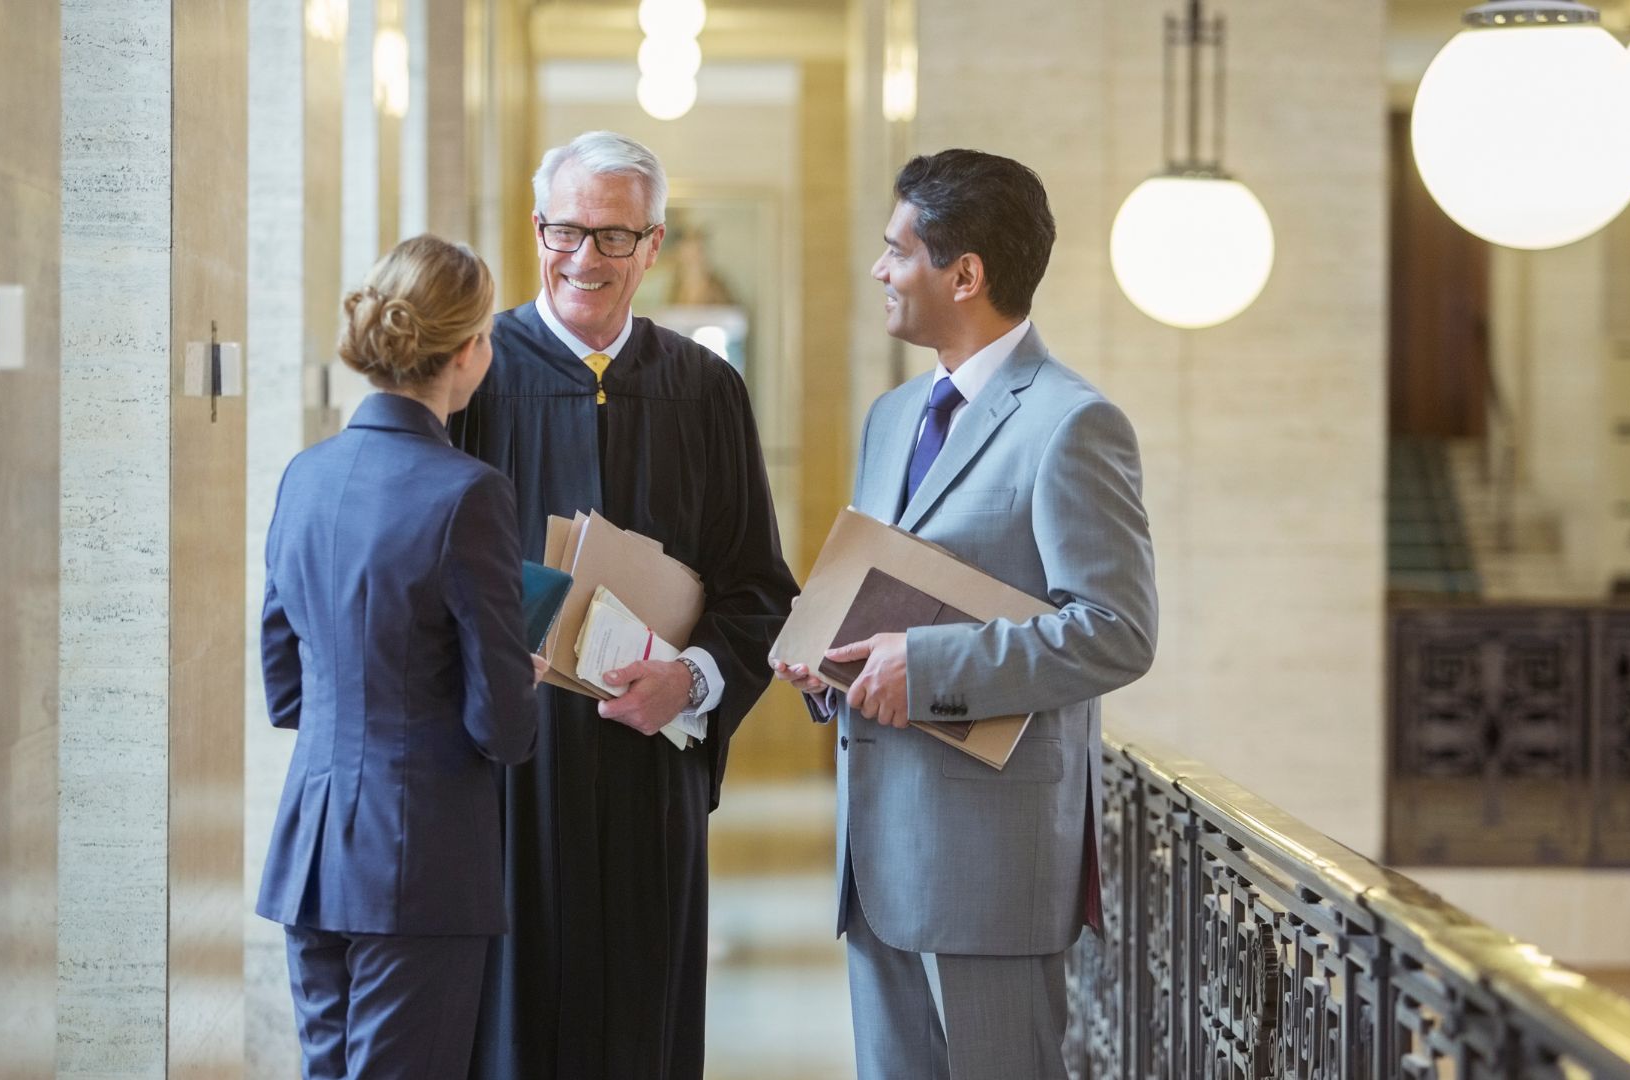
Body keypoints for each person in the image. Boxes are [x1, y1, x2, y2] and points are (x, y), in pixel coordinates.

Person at [772, 149, 1158, 1080]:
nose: (880, 270)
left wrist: (930, 666)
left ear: (965, 273)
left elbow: (1117, 629)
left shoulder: (1072, 424)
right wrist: (830, 663)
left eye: (897, 250)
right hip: (875, 859)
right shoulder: (891, 416)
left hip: (991, 866)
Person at [449, 131, 797, 1080]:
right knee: (512, 1028)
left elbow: (760, 589)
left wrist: (690, 679)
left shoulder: (706, 390)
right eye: (568, 231)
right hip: (510, 773)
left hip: (650, 769)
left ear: (653, 246)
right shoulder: (476, 377)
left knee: (643, 1025)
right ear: (536, 231)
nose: (586, 259)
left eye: (615, 238)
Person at [256, 235, 544, 1079]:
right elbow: (501, 726)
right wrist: (522, 678)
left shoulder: (303, 476)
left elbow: (283, 683)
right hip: (419, 857)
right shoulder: (467, 492)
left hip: (312, 849)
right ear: (467, 353)